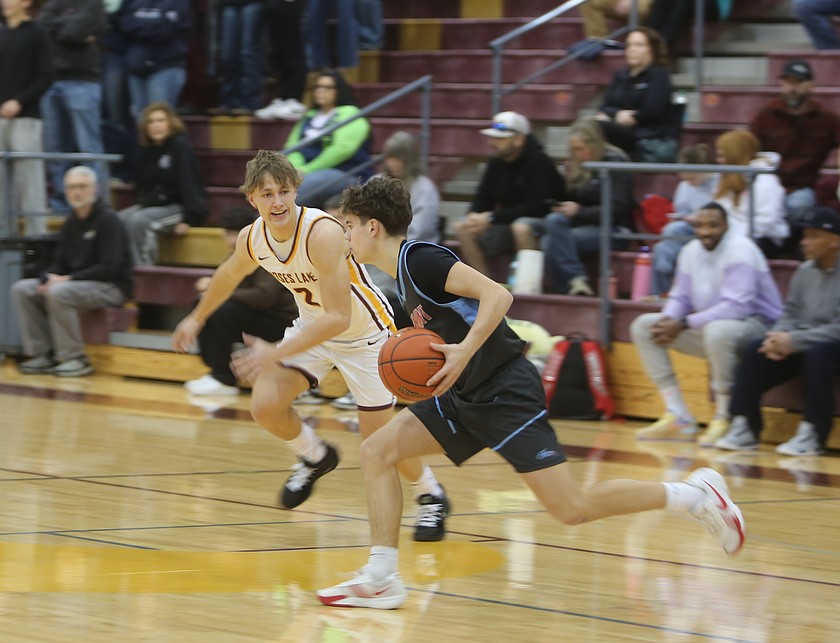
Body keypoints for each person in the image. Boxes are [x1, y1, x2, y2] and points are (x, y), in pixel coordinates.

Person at [316, 176, 745, 610]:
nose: (343, 234)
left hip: (504, 390)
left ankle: (694, 494)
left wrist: (463, 351)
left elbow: (497, 295)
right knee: (377, 451)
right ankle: (382, 575)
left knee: (571, 508)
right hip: (462, 395)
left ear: (372, 227)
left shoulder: (422, 260)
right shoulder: (399, 280)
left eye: (347, 224)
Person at [171, 150, 451, 541]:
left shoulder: (322, 232)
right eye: (266, 195)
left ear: (296, 190)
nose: (278, 201)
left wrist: (275, 352)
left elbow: (338, 315)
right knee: (265, 405)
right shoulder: (253, 237)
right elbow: (228, 273)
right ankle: (316, 455)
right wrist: (197, 317)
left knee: (379, 443)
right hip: (311, 328)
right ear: (251, 199)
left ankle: (431, 495)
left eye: (284, 191)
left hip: (364, 335)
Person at [631, 202, 783, 446]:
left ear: (726, 226)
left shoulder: (741, 249)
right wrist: (668, 319)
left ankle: (725, 417)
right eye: (700, 225)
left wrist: (682, 323)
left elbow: (737, 307)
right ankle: (678, 416)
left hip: (758, 328)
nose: (706, 231)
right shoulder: (691, 250)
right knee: (644, 326)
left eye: (713, 225)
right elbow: (680, 296)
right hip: (714, 327)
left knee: (718, 330)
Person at [715, 205, 840, 457]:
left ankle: (814, 432)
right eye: (804, 236)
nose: (805, 242)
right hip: (804, 341)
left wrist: (794, 340)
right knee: (755, 351)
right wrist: (777, 338)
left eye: (814, 236)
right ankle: (744, 426)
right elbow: (790, 312)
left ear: (835, 240)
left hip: (830, 345)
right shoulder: (804, 271)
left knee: (819, 355)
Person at [10, 166, 133, 377]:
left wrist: (67, 279)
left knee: (60, 292)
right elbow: (59, 263)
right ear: (65, 191)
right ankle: (41, 353)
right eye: (72, 187)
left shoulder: (108, 220)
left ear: (94, 189)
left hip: (111, 287)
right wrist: (46, 278)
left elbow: (109, 267)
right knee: (22, 289)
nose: (77, 192)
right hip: (77, 283)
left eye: (82, 187)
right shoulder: (71, 223)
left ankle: (74, 357)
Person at [184, 206, 299, 396]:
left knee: (222, 309)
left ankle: (224, 378)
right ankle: (216, 371)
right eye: (226, 233)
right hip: (255, 316)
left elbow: (264, 297)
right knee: (204, 303)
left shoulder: (269, 252)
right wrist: (211, 288)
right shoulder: (238, 253)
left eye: (232, 233)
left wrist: (221, 294)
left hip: (280, 321)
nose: (229, 239)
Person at [452, 111, 564, 279]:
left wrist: (491, 218)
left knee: (521, 227)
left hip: (542, 224)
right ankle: (486, 285)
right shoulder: (496, 162)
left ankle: (527, 285)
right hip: (506, 222)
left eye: (500, 139)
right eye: (492, 138)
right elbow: (482, 199)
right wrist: (475, 216)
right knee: (462, 227)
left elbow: (536, 207)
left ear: (518, 140)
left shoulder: (540, 161)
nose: (493, 143)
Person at [533, 118, 635, 296]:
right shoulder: (578, 166)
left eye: (581, 149)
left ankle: (570, 286)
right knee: (553, 220)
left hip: (614, 228)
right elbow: (573, 198)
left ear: (594, 144)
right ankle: (577, 283)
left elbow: (617, 209)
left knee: (549, 242)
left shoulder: (614, 163)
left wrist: (579, 211)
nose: (577, 154)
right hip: (582, 224)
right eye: (574, 150)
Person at [748, 59, 840, 228]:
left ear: (810, 85)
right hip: (768, 185)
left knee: (799, 205)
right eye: (788, 82)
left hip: (802, 187)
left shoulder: (827, 119)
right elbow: (746, 148)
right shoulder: (765, 116)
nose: (792, 88)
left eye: (798, 82)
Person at [37, 0, 107, 213]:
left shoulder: (93, 4)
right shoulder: (54, 3)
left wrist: (62, 27)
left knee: (89, 147)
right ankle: (61, 202)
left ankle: (98, 203)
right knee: (55, 149)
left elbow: (75, 32)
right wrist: (68, 26)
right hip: (51, 80)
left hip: (83, 81)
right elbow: (41, 27)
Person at [117, 101, 206, 266]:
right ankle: (125, 269)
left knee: (140, 221)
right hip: (152, 204)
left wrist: (190, 219)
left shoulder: (180, 147)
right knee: (119, 219)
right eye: (151, 121)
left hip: (177, 207)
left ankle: (144, 271)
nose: (156, 125)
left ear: (170, 123)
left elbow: (190, 183)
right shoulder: (145, 150)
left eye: (160, 120)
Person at [282, 69, 372, 209]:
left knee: (298, 191)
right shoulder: (309, 116)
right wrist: (296, 169)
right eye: (318, 87)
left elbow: (341, 150)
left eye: (327, 87)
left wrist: (306, 170)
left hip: (344, 171)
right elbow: (293, 146)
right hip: (304, 172)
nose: (320, 91)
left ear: (339, 90)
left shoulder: (351, 114)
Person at [0, 0, 53, 235]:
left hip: (26, 118)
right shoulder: (2, 33)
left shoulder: (37, 33)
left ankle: (36, 236)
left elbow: (46, 76)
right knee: (1, 184)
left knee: (29, 180)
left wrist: (19, 100)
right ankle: (3, 236)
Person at [592, 26, 677, 163]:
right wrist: (618, 115)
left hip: (647, 135)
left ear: (651, 49)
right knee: (589, 126)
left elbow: (651, 110)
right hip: (621, 130)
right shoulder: (620, 77)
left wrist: (633, 117)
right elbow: (604, 107)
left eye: (639, 45)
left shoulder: (659, 76)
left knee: (598, 126)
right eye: (629, 45)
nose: (632, 49)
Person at [651, 144, 720, 295]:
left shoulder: (717, 182)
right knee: (662, 245)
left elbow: (721, 212)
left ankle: (666, 273)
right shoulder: (684, 186)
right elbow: (680, 211)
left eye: (693, 178)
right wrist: (683, 218)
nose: (689, 182)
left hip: (709, 229)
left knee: (669, 237)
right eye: (686, 179)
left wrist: (700, 218)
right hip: (688, 229)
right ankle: (659, 295)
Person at [713, 129, 789, 257]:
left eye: (722, 156)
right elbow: (720, 209)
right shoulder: (724, 178)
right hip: (729, 234)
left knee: (734, 250)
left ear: (734, 155)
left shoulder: (766, 179)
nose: (718, 160)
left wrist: (734, 235)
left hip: (763, 237)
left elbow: (766, 221)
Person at [120, 0, 191, 117]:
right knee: (141, 121)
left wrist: (139, 26)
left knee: (160, 118)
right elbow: (125, 24)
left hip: (166, 64)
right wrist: (154, 23)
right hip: (137, 65)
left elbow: (165, 30)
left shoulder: (179, 2)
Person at [380, 131, 441, 244]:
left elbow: (420, 229)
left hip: (415, 247)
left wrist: (390, 242)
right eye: (390, 158)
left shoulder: (425, 188)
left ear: (410, 160)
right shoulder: (376, 182)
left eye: (398, 159)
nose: (393, 163)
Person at [253, 0, 307, 121]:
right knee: (277, 53)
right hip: (274, 6)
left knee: (293, 51)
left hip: (291, 5)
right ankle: (282, 98)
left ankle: (294, 100)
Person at [212, 0, 265, 115]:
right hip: (229, 4)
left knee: (248, 53)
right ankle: (229, 102)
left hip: (253, 4)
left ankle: (250, 102)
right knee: (228, 54)